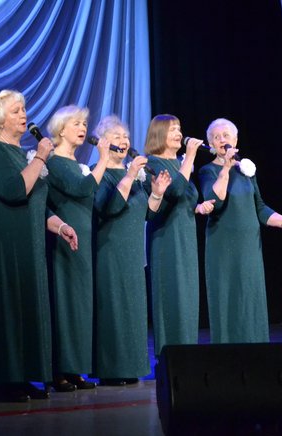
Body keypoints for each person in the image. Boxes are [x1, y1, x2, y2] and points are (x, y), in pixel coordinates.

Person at [0, 90, 78, 402]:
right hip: (3, 249)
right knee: (7, 311)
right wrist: (42, 157)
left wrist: (60, 226)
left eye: (23, 109)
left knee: (29, 311)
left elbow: (37, 205)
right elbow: (14, 190)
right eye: (16, 110)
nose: (24, 115)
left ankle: (24, 376)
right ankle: (6, 382)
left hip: (29, 248)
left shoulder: (22, 156)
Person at [198, 118, 282, 344]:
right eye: (216, 137)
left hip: (250, 245)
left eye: (226, 135)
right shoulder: (208, 170)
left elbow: (259, 207)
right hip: (223, 246)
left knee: (250, 296)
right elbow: (216, 200)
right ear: (211, 144)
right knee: (228, 297)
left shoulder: (246, 171)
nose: (222, 140)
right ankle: (228, 353)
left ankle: (255, 349)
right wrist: (226, 168)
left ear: (235, 140)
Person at [92, 116, 171, 385]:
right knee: (114, 309)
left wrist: (157, 192)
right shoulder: (99, 173)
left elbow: (147, 213)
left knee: (133, 311)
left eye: (125, 136)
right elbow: (110, 208)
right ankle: (111, 370)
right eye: (117, 137)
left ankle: (131, 366)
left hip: (133, 252)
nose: (124, 141)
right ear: (104, 143)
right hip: (111, 251)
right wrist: (128, 174)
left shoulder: (137, 178)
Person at [46, 105, 110, 391]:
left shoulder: (74, 163)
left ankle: (75, 368)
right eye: (76, 123)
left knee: (81, 304)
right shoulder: (57, 162)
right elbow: (83, 188)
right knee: (66, 303)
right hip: (64, 242)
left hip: (83, 240)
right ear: (61, 130)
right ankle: (60, 369)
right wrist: (103, 159)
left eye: (84, 123)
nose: (83, 128)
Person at [143, 114, 214, 355]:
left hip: (186, 238)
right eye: (172, 129)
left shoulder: (177, 163)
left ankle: (187, 353)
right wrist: (190, 156)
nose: (179, 133)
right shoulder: (153, 163)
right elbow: (174, 191)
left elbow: (184, 199)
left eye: (179, 128)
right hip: (166, 239)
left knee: (187, 296)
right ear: (159, 134)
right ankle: (170, 355)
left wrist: (198, 208)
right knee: (172, 294)